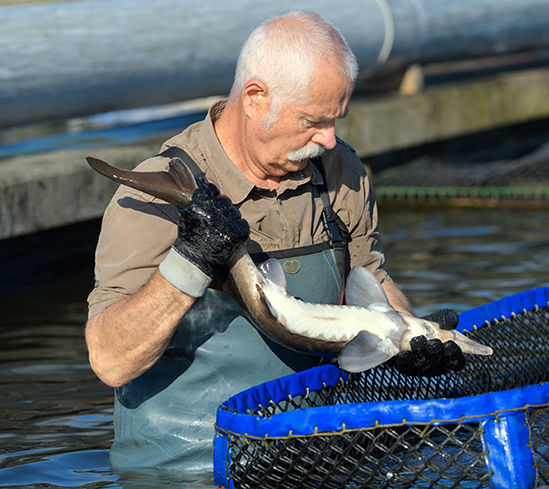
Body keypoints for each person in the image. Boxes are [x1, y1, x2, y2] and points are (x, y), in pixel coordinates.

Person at [85, 10, 464, 473]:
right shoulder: (152, 193)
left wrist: (408, 337)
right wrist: (191, 260)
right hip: (191, 466)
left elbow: (374, 280)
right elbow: (109, 361)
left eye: (336, 120)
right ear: (255, 98)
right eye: (312, 121)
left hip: (315, 451)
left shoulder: (339, 170)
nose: (328, 139)